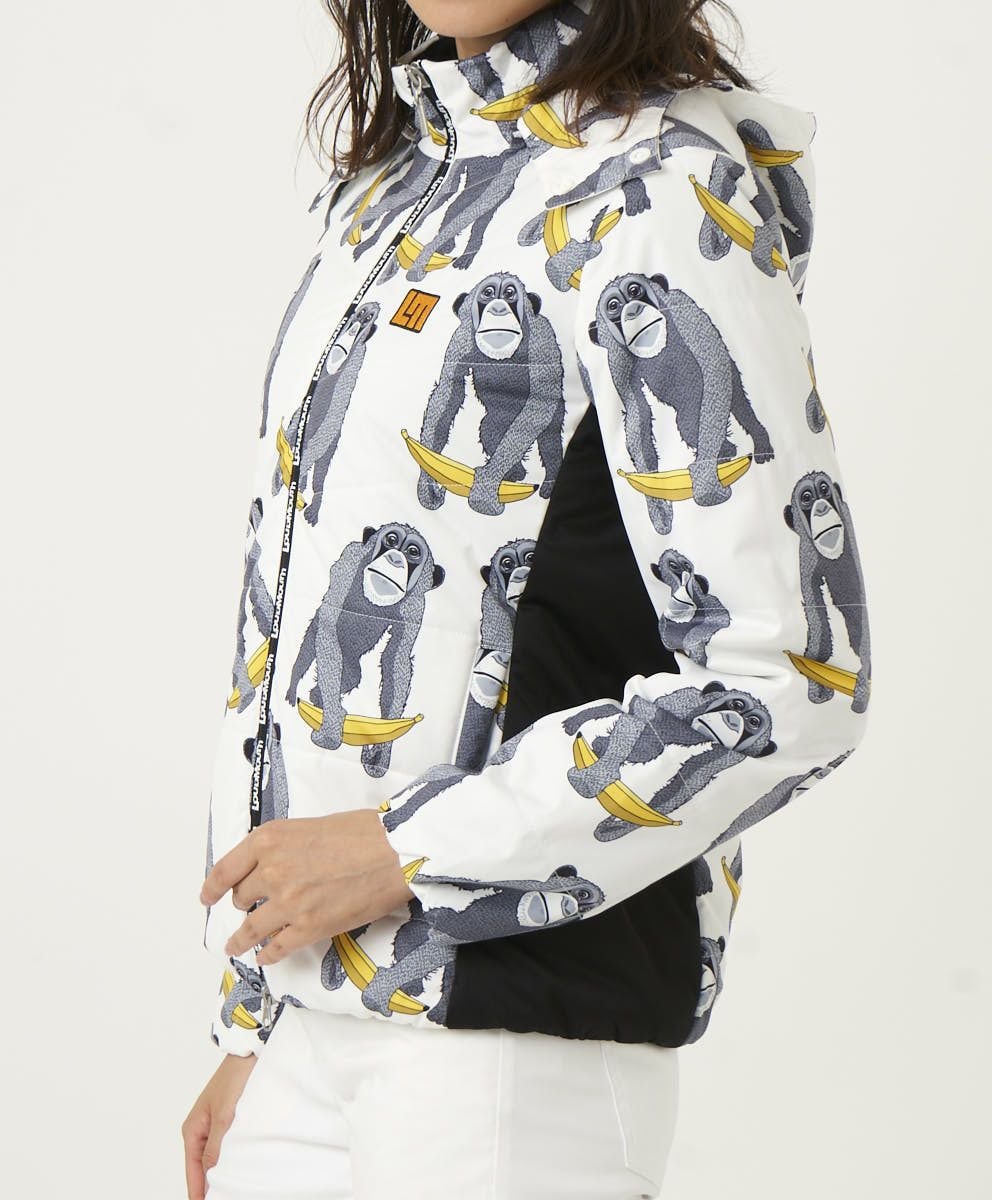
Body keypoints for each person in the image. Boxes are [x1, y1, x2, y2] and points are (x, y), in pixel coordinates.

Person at [182, 1, 873, 1196]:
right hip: (312, 1025)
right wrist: (256, 1017)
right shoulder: (394, 185)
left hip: (511, 1047)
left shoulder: (663, 187)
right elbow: (289, 608)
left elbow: (790, 679)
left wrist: (406, 851)